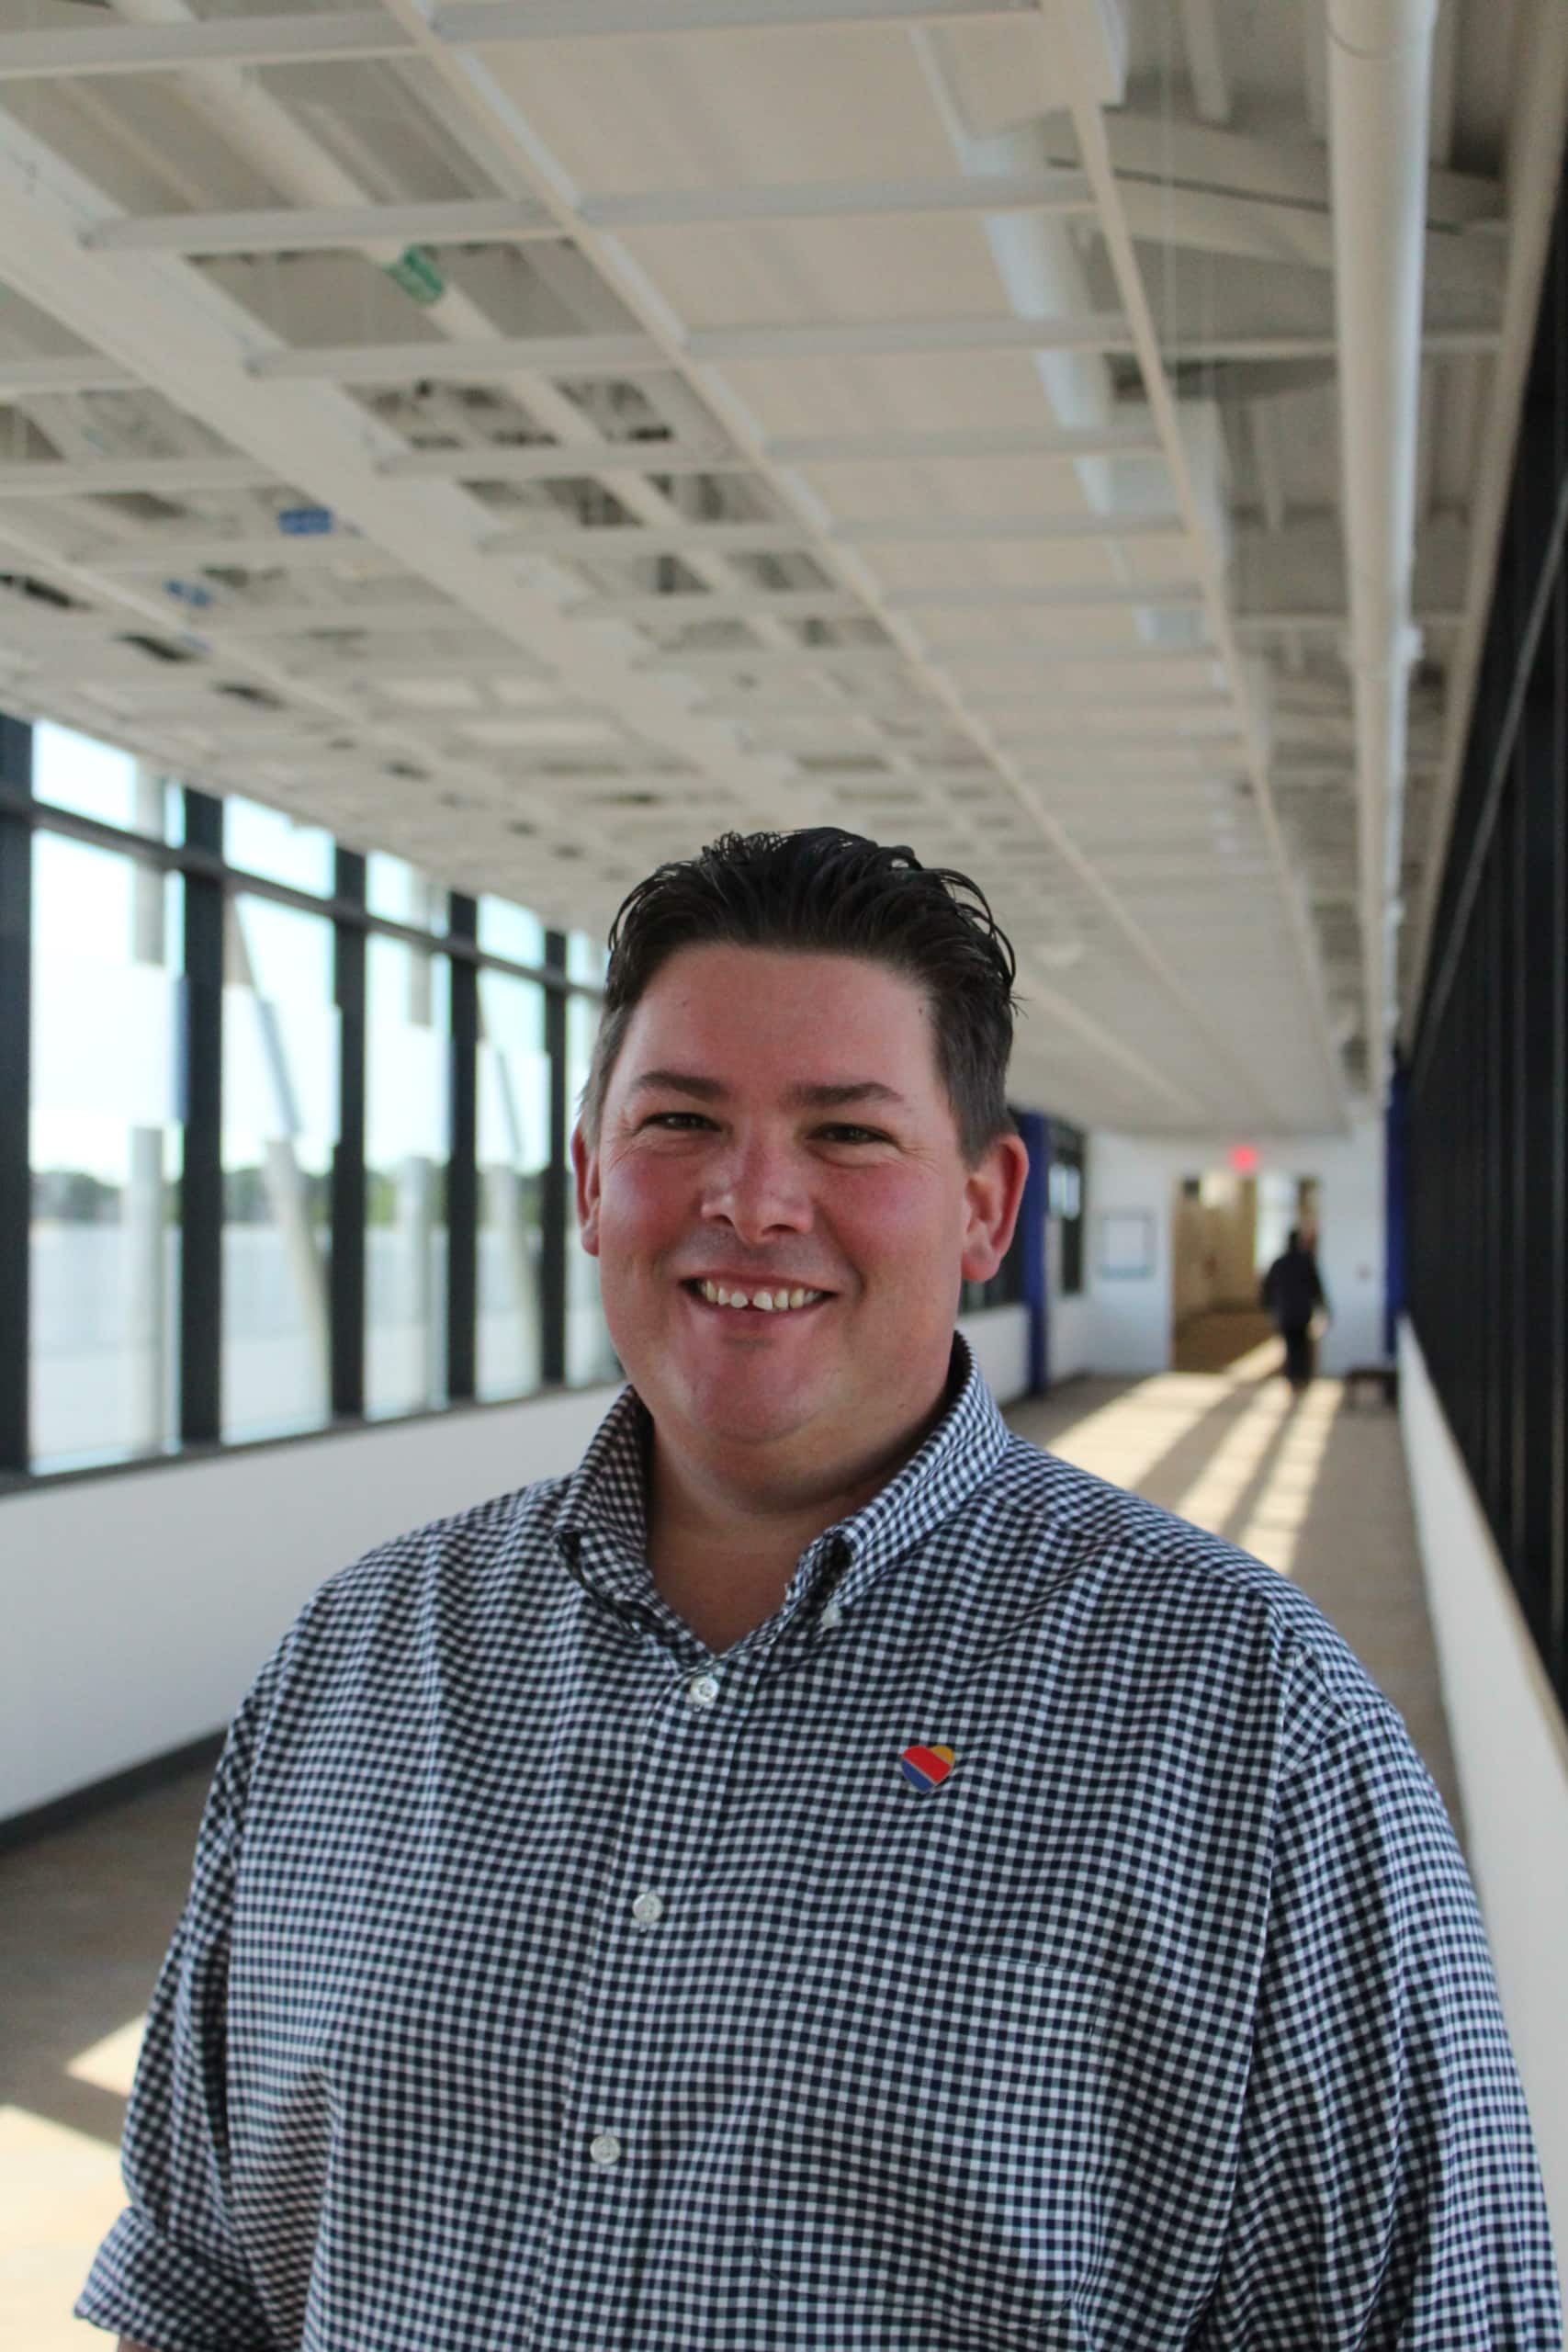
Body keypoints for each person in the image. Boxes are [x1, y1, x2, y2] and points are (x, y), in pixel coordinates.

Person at [79, 829, 1560, 2352]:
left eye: (846, 1134)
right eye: (680, 1120)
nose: (752, 1200)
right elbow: (201, 2284)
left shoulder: (1251, 1726)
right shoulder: (356, 1663)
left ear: (985, 1206)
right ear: (589, 1180)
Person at [1261, 1222, 1329, 1391]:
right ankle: (1301, 1376)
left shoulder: (1279, 1263)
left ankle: (1293, 1376)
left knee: (1291, 1346)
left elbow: (1267, 1288)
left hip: (1285, 1311)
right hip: (1302, 1312)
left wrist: (1268, 1307)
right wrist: (1324, 1307)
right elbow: (1317, 1288)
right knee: (1302, 1345)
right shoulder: (1306, 1262)